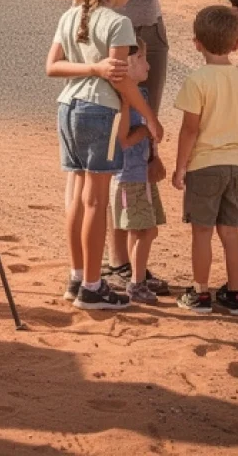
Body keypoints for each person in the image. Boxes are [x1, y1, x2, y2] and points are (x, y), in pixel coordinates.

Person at [53, 0, 180, 289]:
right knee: (109, 145)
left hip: (149, 37)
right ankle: (106, 264)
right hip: (102, 42)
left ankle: (128, 267)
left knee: (138, 146)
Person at [46, 0, 161, 311]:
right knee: (96, 200)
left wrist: (90, 68)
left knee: (78, 197)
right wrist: (150, 116)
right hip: (101, 112)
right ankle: (94, 287)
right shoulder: (118, 22)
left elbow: (53, 67)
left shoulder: (70, 16)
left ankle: (78, 276)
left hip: (68, 108)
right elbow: (122, 79)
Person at [172, 6, 238, 316]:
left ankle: (200, 292)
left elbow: (190, 129)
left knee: (202, 232)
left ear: (196, 42)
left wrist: (180, 166)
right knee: (230, 231)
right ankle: (235, 294)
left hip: (204, 166)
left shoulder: (197, 80)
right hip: (237, 166)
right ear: (236, 44)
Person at [108, 41, 168, 305]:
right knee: (144, 230)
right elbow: (122, 141)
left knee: (145, 230)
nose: (149, 64)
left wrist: (154, 157)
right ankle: (136, 282)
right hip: (127, 177)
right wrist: (146, 131)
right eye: (142, 58)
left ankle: (137, 277)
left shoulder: (140, 94)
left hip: (139, 174)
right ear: (128, 64)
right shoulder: (122, 99)